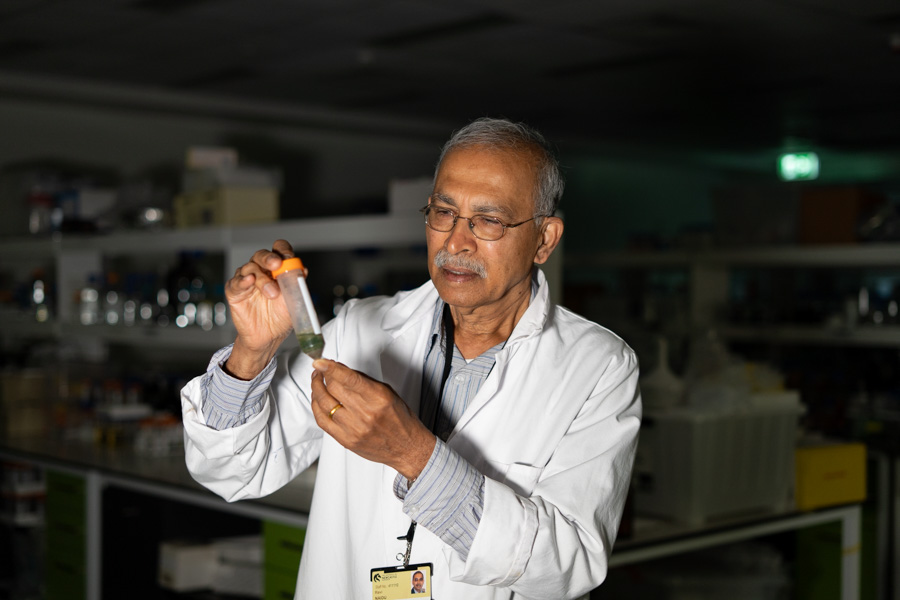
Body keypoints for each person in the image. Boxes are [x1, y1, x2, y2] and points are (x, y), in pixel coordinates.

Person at [181, 117, 641, 600]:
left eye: (488, 221)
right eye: (443, 213)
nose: (456, 242)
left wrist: (414, 456)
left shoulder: (598, 367)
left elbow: (569, 564)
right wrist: (252, 352)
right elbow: (232, 471)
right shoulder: (361, 328)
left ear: (544, 239)